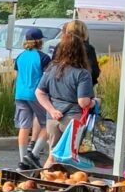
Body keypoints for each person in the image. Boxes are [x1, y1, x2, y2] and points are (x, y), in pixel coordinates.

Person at [36, 33, 94, 168]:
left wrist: (52, 110)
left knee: (52, 155)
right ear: (81, 51)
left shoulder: (52, 68)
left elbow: (39, 92)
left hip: (53, 118)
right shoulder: (82, 73)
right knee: (73, 158)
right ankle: (69, 186)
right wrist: (96, 102)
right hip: (73, 118)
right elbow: (83, 102)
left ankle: (46, 182)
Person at [14, 28, 52, 169]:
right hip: (36, 94)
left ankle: (23, 160)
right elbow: (48, 77)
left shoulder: (19, 57)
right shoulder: (43, 58)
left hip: (20, 94)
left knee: (24, 126)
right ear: (39, 41)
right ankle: (33, 155)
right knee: (48, 123)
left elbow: (16, 76)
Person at [55, 20, 101, 86]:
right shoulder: (88, 48)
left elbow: (53, 65)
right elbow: (94, 71)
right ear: (84, 31)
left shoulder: (60, 46)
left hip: (60, 84)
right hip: (81, 85)